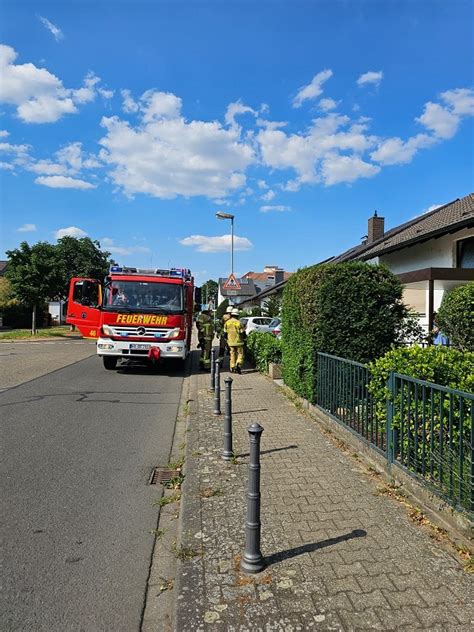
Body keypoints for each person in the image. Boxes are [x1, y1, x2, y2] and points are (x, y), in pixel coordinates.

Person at [224, 308, 246, 374]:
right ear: (237, 315)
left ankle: (232, 367)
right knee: (240, 354)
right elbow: (242, 332)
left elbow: (225, 332)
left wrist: (226, 340)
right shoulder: (239, 322)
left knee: (232, 354)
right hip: (239, 342)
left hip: (230, 342)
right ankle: (238, 364)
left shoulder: (227, 322)